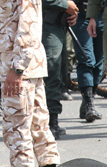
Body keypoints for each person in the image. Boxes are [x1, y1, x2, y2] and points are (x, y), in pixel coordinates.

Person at [0, 0, 60, 167]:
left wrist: (17, 69)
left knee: (17, 129)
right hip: (28, 68)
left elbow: (28, 27)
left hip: (20, 69)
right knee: (39, 128)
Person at [42, 0, 79, 139]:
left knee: (59, 73)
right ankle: (49, 123)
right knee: (51, 72)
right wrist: (65, 4)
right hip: (45, 25)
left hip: (59, 24)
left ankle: (52, 121)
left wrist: (72, 12)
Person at [72, 0, 103, 122]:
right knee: (86, 59)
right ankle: (89, 105)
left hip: (102, 14)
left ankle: (87, 101)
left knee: (99, 63)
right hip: (81, 14)